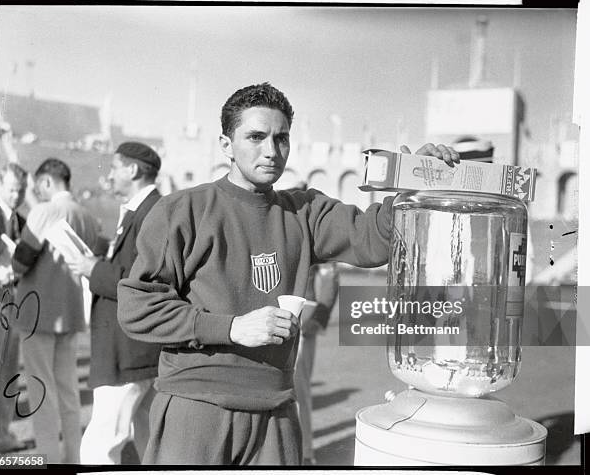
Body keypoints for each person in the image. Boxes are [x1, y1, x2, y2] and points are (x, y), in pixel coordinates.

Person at [117, 82, 460, 465]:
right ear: (226, 144)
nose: (271, 150)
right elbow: (136, 307)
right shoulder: (182, 210)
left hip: (276, 413)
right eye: (256, 136)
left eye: (281, 138)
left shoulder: (304, 211)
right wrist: (230, 328)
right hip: (196, 408)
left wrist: (413, 189)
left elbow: (373, 239)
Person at [66, 142, 163, 464]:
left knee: (99, 448)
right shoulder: (146, 209)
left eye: (114, 168)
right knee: (151, 444)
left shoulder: (151, 212)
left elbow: (147, 282)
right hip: (134, 348)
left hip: (128, 349)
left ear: (132, 170)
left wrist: (93, 269)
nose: (109, 175)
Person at [11, 158, 101, 463]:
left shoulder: (43, 211)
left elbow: (21, 261)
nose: (37, 191)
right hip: (72, 311)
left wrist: (11, 262)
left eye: (39, 185)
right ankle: (72, 457)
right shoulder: (88, 216)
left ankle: (47, 459)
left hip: (38, 312)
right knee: (68, 391)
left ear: (48, 182)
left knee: (41, 390)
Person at [0, 163, 29, 453]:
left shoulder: (21, 221)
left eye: (21, 190)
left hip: (11, 305)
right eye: (11, 189)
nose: (16, 195)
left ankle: (2, 435)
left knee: (7, 375)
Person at [294, 262, 339, 465]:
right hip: (266, 316)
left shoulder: (311, 229)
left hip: (303, 317)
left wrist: (319, 318)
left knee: (299, 391)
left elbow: (330, 275)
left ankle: (305, 454)